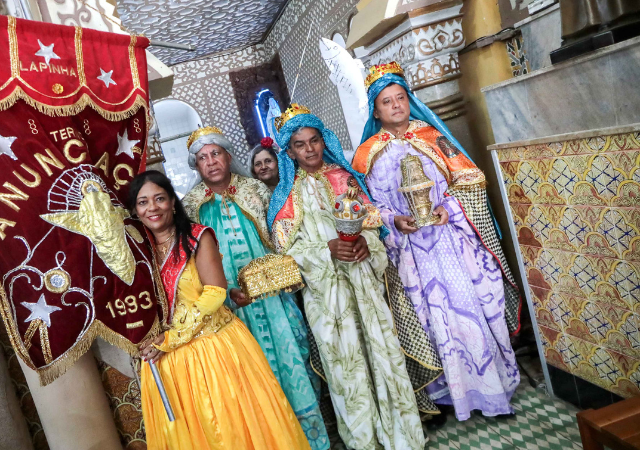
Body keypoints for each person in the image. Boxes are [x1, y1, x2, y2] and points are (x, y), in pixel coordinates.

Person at [352, 61, 522, 422]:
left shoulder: (432, 136)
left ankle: (490, 391)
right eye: (387, 101)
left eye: (400, 98)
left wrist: (448, 208)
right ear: (376, 110)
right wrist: (392, 219)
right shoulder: (366, 153)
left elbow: (471, 178)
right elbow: (364, 207)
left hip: (448, 242)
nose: (396, 105)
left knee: (466, 311)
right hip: (409, 251)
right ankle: (448, 397)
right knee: (429, 320)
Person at [268, 104, 424, 450]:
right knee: (345, 367)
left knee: (382, 352)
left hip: (363, 284)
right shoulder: (284, 197)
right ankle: (363, 441)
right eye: (300, 144)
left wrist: (367, 244)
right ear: (289, 151)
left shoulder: (345, 178)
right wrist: (327, 250)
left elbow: (375, 227)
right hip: (327, 298)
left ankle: (402, 437)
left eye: (314, 141)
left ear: (324, 141)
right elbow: (285, 255)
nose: (309, 150)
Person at [131, 170, 310, 450]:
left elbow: (215, 293)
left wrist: (171, 339)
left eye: (159, 199)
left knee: (230, 432)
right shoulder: (139, 254)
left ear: (173, 203)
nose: (152, 207)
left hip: (213, 352)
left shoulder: (195, 237)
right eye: (143, 202)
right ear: (135, 210)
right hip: (170, 363)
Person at [181, 127, 328, 450]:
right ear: (196, 166)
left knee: (295, 358)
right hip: (231, 309)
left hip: (275, 299)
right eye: (203, 158)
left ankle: (313, 442)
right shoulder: (190, 207)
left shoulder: (256, 190)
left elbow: (283, 237)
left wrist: (282, 276)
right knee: (250, 378)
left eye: (216, 153)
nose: (211, 162)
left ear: (229, 156)